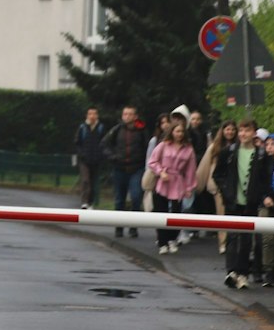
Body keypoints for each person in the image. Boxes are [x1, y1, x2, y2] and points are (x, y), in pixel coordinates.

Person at [146, 119, 197, 255]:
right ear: (172, 132)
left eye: (181, 131)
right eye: (177, 131)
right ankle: (162, 242)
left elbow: (190, 170)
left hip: (178, 182)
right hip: (163, 181)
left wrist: (189, 187)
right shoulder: (163, 145)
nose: (179, 134)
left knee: (176, 213)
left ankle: (172, 239)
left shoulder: (188, 149)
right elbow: (152, 161)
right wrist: (160, 171)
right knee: (160, 212)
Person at [104, 105, 151, 238]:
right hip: (119, 169)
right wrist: (113, 157)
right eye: (125, 114)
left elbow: (148, 148)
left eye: (130, 114)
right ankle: (119, 228)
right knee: (119, 199)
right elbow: (105, 145)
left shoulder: (142, 131)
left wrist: (144, 162)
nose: (127, 117)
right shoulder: (117, 130)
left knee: (136, 197)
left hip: (136, 168)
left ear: (135, 116)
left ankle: (133, 227)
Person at [196, 121, 239, 269]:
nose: (230, 132)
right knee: (221, 215)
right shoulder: (214, 147)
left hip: (235, 185)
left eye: (233, 129)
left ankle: (233, 242)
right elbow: (204, 166)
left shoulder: (238, 147)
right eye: (227, 129)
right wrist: (198, 185)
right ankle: (223, 242)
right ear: (223, 131)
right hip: (218, 186)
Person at [71, 106, 107, 209]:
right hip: (84, 159)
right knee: (85, 180)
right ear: (87, 115)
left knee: (93, 181)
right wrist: (81, 154)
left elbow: (104, 143)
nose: (92, 116)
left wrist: (101, 155)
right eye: (90, 114)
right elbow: (77, 142)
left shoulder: (101, 128)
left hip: (96, 159)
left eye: (94, 113)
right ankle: (84, 202)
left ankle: (91, 202)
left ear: (97, 115)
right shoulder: (82, 127)